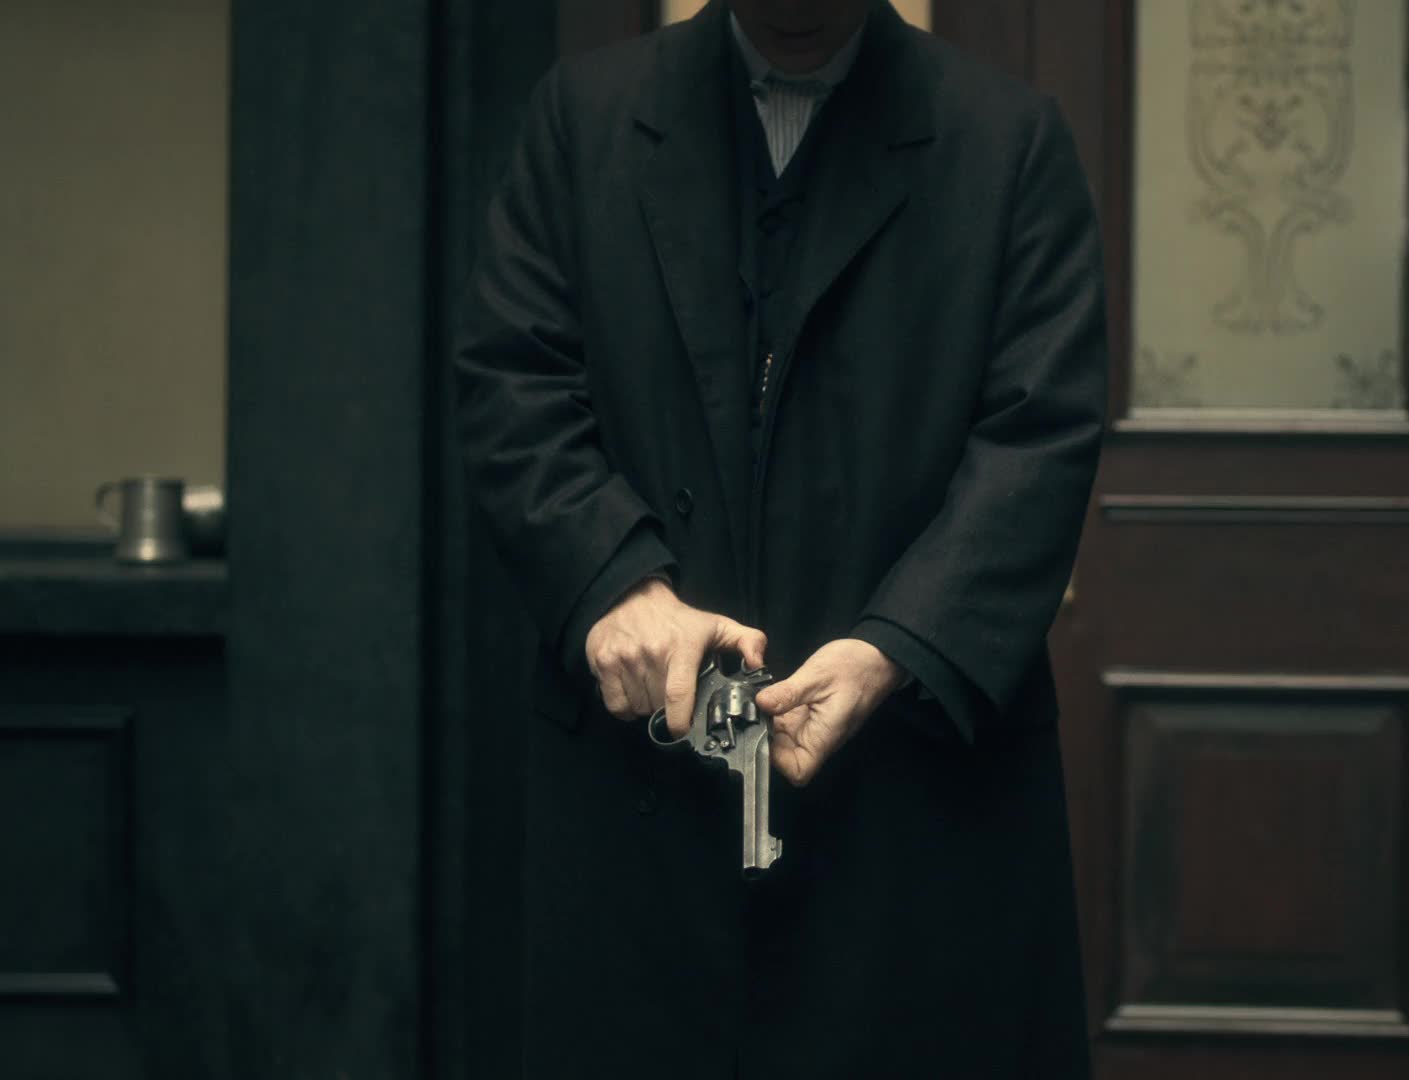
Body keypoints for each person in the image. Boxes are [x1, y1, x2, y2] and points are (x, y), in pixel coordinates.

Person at [454, 0, 1106, 1075]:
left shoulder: (1010, 142)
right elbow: (512, 381)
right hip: (641, 805)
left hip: (915, 810)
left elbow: (1041, 436)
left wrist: (898, 647)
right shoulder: (584, 119)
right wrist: (614, 581)